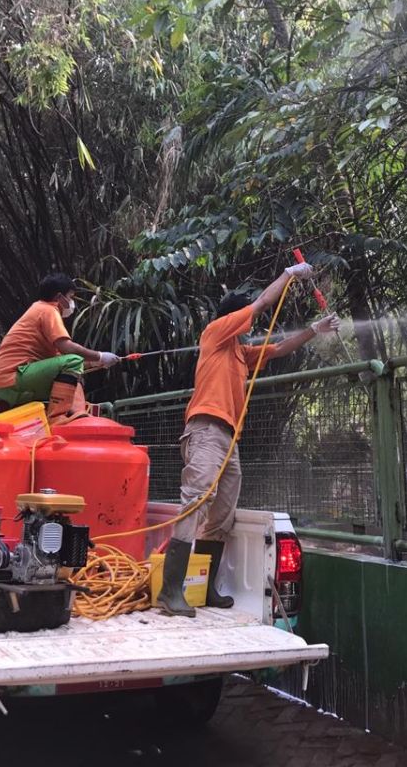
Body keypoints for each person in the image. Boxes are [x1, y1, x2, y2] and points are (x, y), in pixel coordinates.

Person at [156, 262, 340, 617]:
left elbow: (280, 349)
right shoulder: (215, 332)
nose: (250, 320)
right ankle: (170, 590)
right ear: (232, 316)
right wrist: (288, 274)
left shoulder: (240, 352)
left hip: (229, 437)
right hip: (206, 430)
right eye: (243, 312)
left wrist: (314, 330)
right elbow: (259, 308)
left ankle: (207, 588)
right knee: (196, 502)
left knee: (221, 516)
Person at [0, 273, 121, 425]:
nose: (72, 303)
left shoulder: (39, 309)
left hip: (10, 384)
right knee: (73, 361)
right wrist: (99, 356)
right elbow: (67, 348)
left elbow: (63, 363)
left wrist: (93, 363)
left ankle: (79, 415)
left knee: (73, 372)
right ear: (60, 297)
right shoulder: (48, 310)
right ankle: (57, 417)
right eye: (71, 297)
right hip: (14, 377)